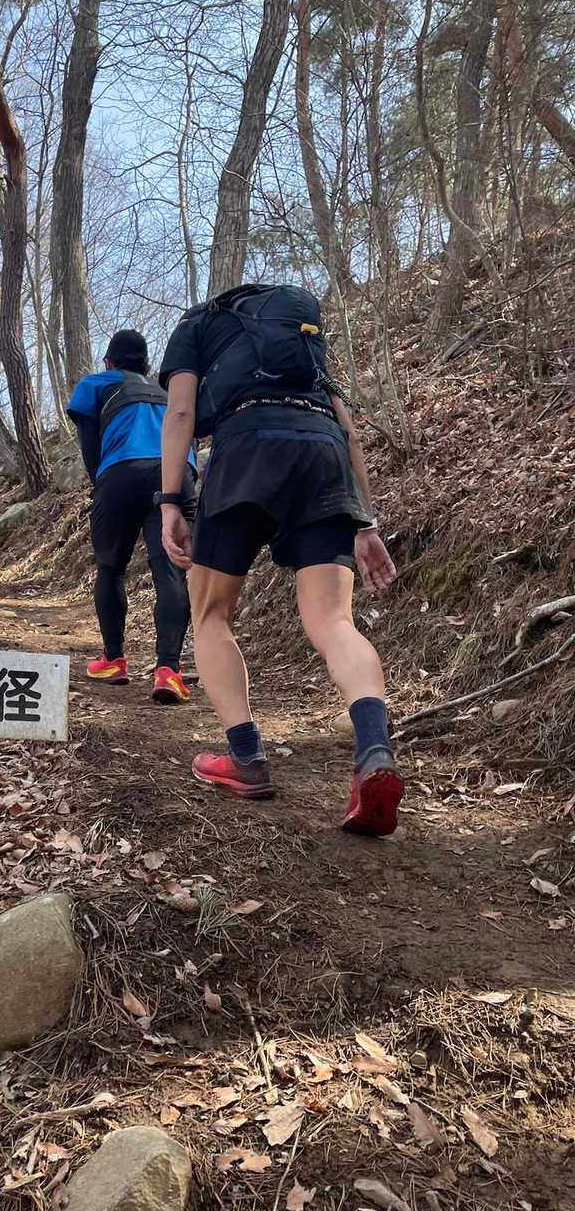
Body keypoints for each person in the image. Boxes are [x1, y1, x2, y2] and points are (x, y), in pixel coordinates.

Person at [157, 282, 403, 835]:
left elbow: (180, 412)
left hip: (246, 450)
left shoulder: (198, 323)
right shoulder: (302, 336)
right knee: (334, 621)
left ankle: (246, 757)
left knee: (210, 613)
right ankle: (374, 750)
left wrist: (171, 500)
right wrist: (365, 522)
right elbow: (349, 432)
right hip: (324, 455)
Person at [67, 329, 198, 704]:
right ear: (147, 365)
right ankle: (168, 670)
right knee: (171, 570)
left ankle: (113, 660)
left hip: (121, 471)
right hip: (176, 474)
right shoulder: (169, 391)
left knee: (111, 568)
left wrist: (100, 483)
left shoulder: (95, 384)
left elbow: (90, 445)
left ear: (109, 362)